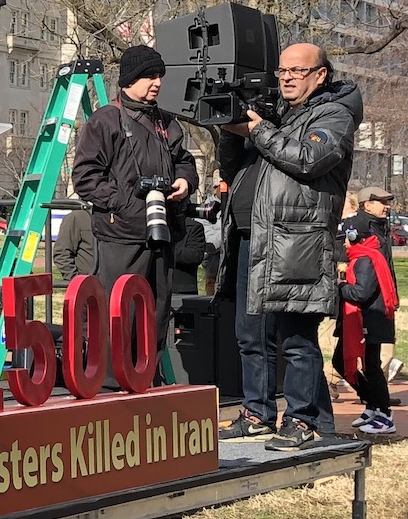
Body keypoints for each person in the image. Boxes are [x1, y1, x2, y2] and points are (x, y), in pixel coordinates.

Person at [216, 42, 362, 451]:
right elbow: (236, 169)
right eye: (282, 71)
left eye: (298, 71)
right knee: (250, 334)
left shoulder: (334, 114)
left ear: (321, 74)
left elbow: (308, 159)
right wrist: (231, 133)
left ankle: (303, 420)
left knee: (296, 335)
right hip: (252, 236)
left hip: (296, 240)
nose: (287, 78)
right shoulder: (279, 114)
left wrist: (257, 129)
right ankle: (257, 413)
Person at [69, 44, 195, 375]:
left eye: (159, 76)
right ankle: (111, 385)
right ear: (129, 78)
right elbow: (85, 178)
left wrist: (184, 181)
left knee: (156, 312)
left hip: (161, 232)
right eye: (149, 76)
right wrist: (127, 204)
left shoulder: (166, 121)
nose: (157, 83)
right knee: (117, 313)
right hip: (118, 237)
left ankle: (144, 381)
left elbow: (185, 161)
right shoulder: (106, 120)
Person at [337, 211, 399, 435]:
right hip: (365, 319)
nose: (343, 242)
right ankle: (373, 404)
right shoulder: (362, 256)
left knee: (370, 367)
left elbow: (361, 292)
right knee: (345, 362)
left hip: (369, 319)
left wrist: (340, 286)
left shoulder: (365, 259)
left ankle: (384, 412)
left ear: (356, 237)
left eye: (346, 237)